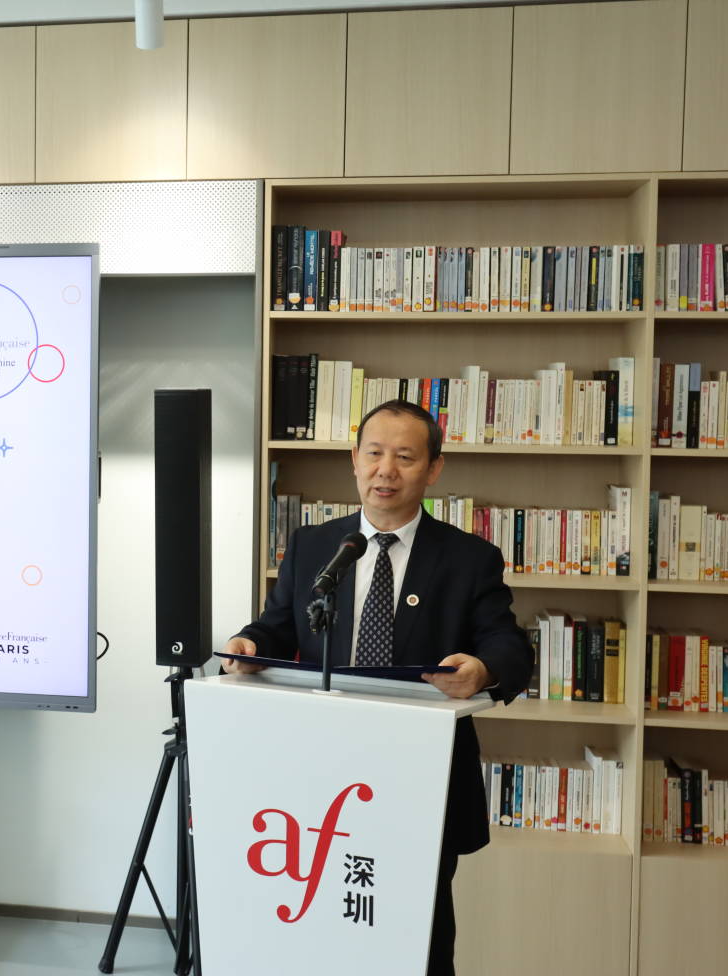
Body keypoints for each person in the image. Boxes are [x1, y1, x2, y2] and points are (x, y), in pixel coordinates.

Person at [221, 398, 532, 976]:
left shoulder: (469, 558)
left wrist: (483, 670)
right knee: (321, 923)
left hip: (420, 778)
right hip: (321, 778)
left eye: (405, 457)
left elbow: (509, 646)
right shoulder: (316, 545)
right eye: (374, 454)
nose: (386, 470)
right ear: (354, 460)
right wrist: (249, 643)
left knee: (419, 936)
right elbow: (278, 625)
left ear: (433, 469)